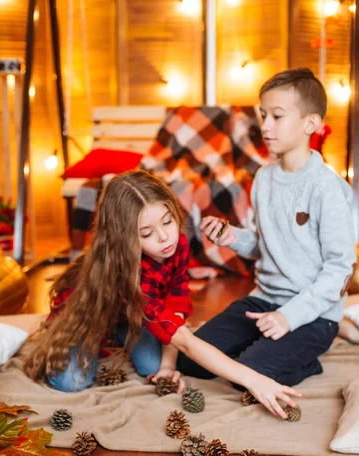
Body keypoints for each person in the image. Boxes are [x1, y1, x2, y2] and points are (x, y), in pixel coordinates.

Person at [23, 169, 300, 418]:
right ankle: (93, 338)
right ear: (126, 239)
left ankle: (126, 330)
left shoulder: (175, 243)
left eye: (167, 222)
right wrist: (253, 379)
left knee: (154, 365)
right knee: (72, 382)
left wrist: (167, 367)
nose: (165, 237)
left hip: (134, 314)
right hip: (91, 316)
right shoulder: (131, 275)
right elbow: (186, 341)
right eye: (147, 233)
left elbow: (175, 306)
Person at [178, 68, 356, 389]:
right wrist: (233, 237)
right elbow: (265, 245)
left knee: (246, 374)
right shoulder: (264, 179)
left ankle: (308, 361)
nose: (265, 126)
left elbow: (339, 269)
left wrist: (289, 317)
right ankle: (267, 350)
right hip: (263, 301)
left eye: (277, 116)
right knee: (191, 360)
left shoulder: (327, 189)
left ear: (311, 124)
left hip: (312, 314)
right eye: (263, 116)